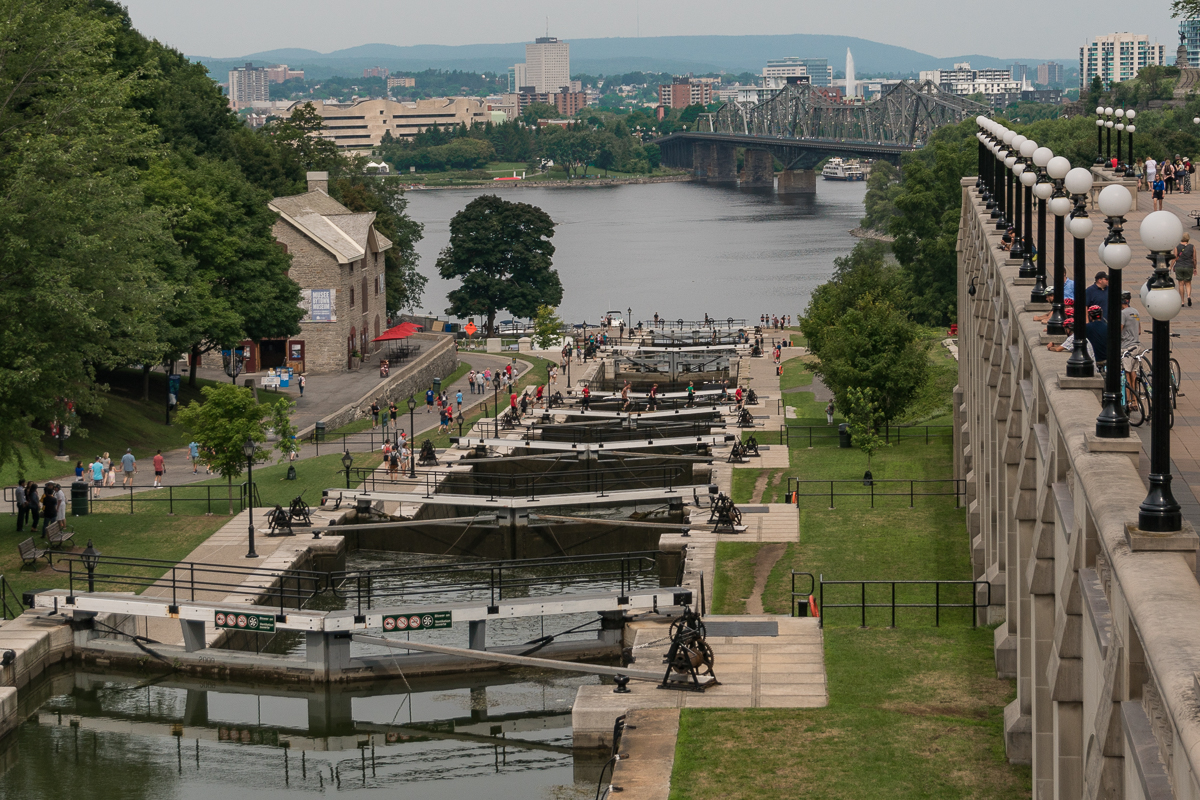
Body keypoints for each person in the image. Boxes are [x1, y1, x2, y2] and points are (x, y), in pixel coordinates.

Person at [1177, 233, 1195, 307]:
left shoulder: (1177, 247)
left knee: (1181, 284)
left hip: (1179, 266)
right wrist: (1195, 268)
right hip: (1189, 266)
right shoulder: (1192, 247)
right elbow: (1194, 258)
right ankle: (1188, 296)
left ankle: (1182, 301)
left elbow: (1175, 258)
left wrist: (1171, 267)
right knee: (1188, 283)